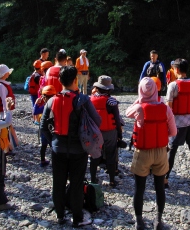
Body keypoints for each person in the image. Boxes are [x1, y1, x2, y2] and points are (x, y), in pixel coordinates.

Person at [40, 66, 100, 226]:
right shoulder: (83, 100)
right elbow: (98, 121)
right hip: (78, 149)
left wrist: (53, 141)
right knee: (76, 183)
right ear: (75, 81)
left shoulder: (51, 100)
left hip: (57, 148)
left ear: (59, 81)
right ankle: (78, 218)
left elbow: (43, 127)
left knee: (58, 183)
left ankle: (60, 216)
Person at [126, 77, 177, 230]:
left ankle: (139, 221)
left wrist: (140, 100)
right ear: (156, 90)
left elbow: (127, 113)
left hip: (143, 152)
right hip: (161, 152)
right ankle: (159, 221)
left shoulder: (138, 107)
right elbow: (173, 131)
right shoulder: (165, 108)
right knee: (159, 188)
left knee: (139, 188)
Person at [164, 58, 190, 188]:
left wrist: (167, 125)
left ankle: (165, 180)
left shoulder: (173, 85)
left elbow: (169, 107)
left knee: (172, 151)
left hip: (177, 123)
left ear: (177, 70)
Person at [89, 75, 123, 187]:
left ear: (97, 88)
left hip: (95, 132)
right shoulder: (112, 101)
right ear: (109, 89)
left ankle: (93, 179)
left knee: (94, 155)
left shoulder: (90, 100)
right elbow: (117, 119)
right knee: (111, 155)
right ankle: (112, 180)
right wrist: (119, 134)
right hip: (110, 132)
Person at [33, 85, 56, 167]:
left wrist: (36, 104)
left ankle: (42, 160)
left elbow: (35, 112)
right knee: (53, 146)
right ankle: (55, 162)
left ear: (44, 97)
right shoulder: (55, 105)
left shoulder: (44, 107)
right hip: (53, 129)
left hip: (44, 130)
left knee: (44, 146)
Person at [29, 60, 42, 124]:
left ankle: (34, 119)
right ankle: (36, 120)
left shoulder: (33, 74)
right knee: (37, 105)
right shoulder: (37, 76)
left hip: (32, 93)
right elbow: (40, 83)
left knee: (34, 105)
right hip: (36, 93)